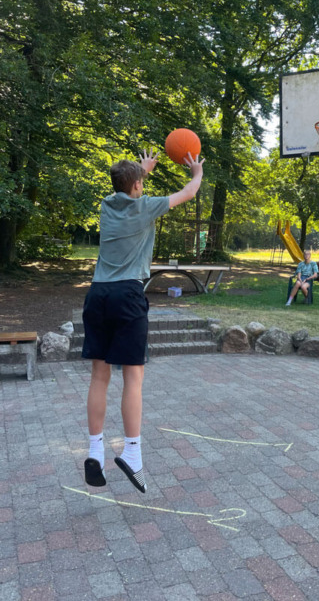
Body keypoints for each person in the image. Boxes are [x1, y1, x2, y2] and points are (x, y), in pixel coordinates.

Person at [82, 148, 204, 492]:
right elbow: (189, 192)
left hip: (98, 294)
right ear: (138, 185)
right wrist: (195, 171)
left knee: (99, 375)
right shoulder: (146, 205)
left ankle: (95, 451)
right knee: (133, 376)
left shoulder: (108, 205)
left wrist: (141, 172)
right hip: (127, 295)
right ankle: (132, 454)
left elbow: (125, 188)